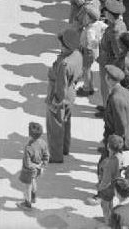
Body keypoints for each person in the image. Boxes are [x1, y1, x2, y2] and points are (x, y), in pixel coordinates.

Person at [45, 28, 83, 164]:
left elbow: (60, 87)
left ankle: (55, 156)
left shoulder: (64, 64)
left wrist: (54, 103)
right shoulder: (77, 55)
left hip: (60, 95)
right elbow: (80, 74)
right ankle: (65, 148)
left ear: (65, 46)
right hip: (71, 93)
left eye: (61, 44)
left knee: (55, 126)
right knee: (66, 122)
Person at [98, 0, 126, 110]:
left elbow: (117, 52)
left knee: (106, 86)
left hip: (108, 61)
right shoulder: (120, 24)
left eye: (105, 12)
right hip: (109, 58)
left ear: (109, 14)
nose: (104, 14)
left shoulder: (114, 31)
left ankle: (107, 109)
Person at [91, 134, 126, 224]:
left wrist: (100, 187)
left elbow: (106, 180)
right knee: (110, 202)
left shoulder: (109, 163)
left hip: (107, 188)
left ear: (108, 147)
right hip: (114, 186)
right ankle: (111, 218)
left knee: (105, 205)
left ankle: (108, 221)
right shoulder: (119, 156)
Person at [17, 121, 49, 209]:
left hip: (29, 171)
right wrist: (42, 166)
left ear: (29, 134)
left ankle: (27, 203)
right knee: (34, 182)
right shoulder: (43, 143)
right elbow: (46, 155)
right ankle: (34, 197)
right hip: (37, 170)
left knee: (28, 187)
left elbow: (28, 163)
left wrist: (35, 166)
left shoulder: (28, 147)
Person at [103, 65, 129, 151]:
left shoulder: (116, 98)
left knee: (106, 161)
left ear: (109, 79)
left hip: (115, 136)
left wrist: (117, 144)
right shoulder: (124, 91)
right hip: (115, 133)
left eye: (106, 76)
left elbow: (121, 123)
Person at [79, 2, 106, 97]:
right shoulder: (99, 23)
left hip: (88, 51)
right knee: (88, 69)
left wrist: (87, 45)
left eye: (86, 16)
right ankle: (90, 86)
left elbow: (91, 42)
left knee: (86, 70)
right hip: (94, 52)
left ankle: (87, 88)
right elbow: (105, 27)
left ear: (89, 18)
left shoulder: (90, 30)